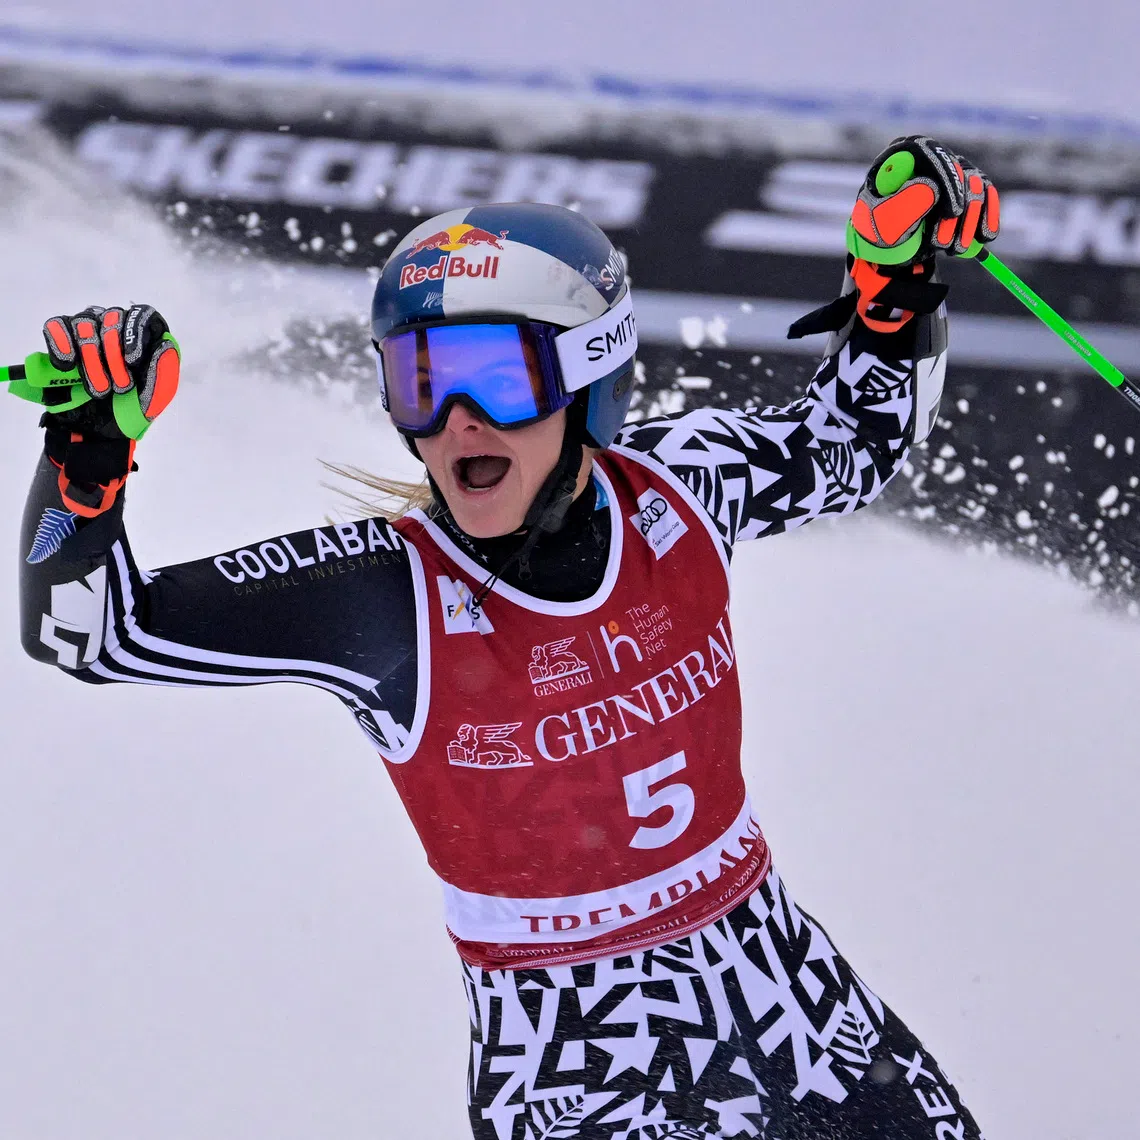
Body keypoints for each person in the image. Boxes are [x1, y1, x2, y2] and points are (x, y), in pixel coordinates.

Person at [16, 136, 999, 1139]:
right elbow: (90, 633)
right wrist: (88, 452)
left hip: (800, 1014)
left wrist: (893, 285)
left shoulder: (686, 484)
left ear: (591, 377)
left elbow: (853, 442)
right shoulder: (382, 594)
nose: (455, 421)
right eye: (418, 380)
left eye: (494, 374)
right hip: (582, 1080)